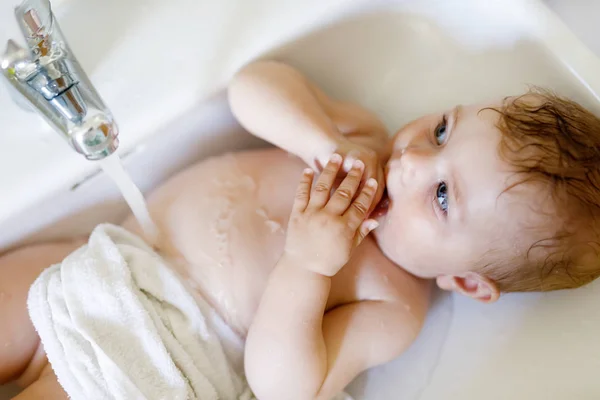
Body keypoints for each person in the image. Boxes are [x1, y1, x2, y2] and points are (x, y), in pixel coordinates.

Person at [1, 60, 599, 399]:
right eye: (442, 131)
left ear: (467, 281)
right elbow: (252, 86)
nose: (412, 161)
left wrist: (309, 266)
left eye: (442, 196)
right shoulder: (358, 139)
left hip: (146, 365)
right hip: (99, 266)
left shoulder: (392, 305)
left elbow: (285, 387)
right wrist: (321, 140)